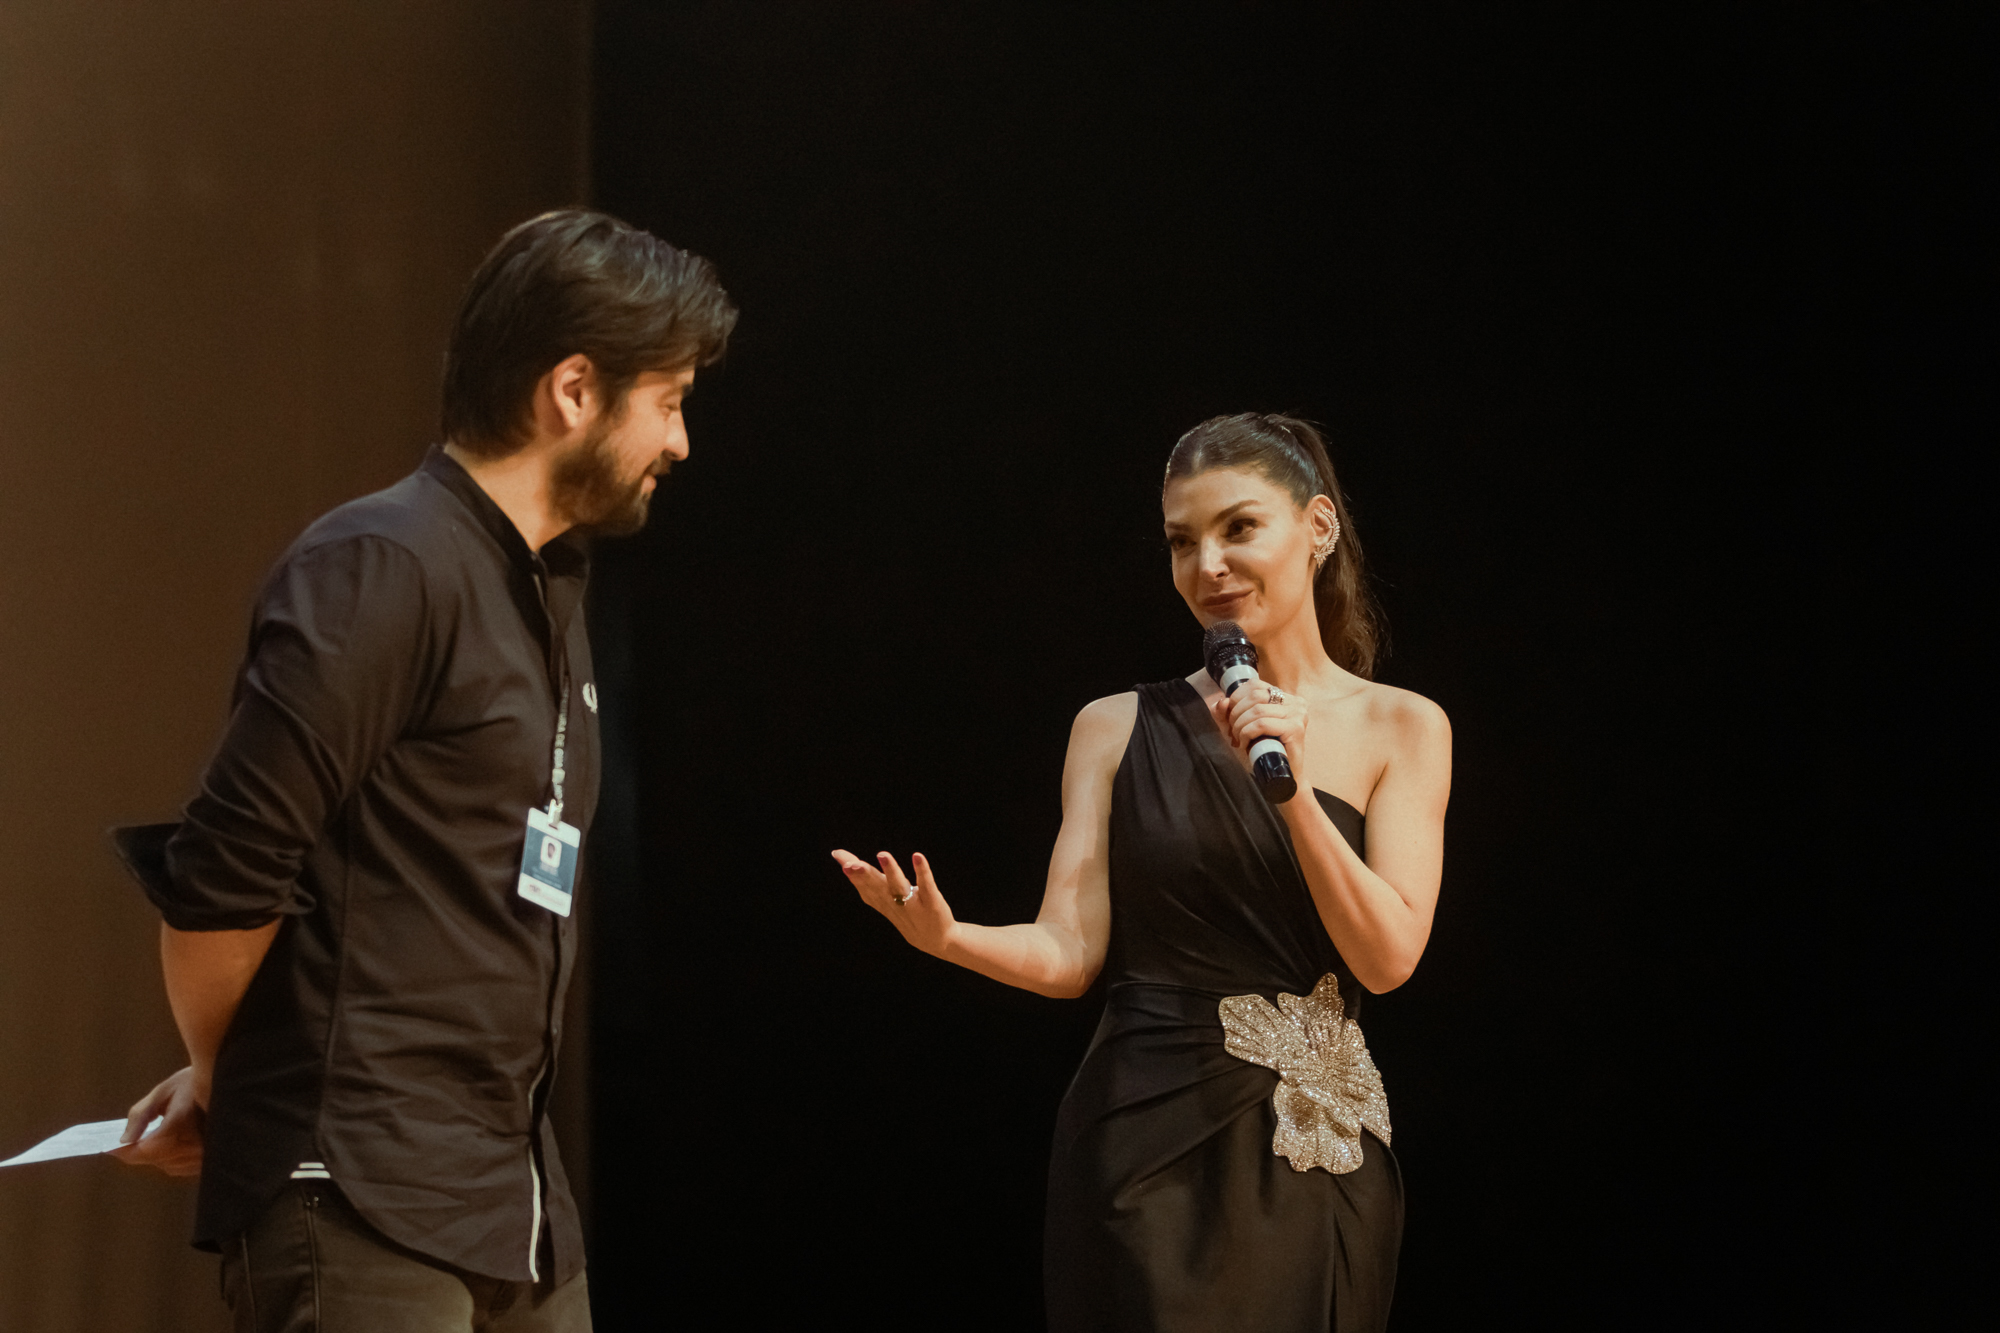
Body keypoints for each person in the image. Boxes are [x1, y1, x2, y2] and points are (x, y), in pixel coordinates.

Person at [110, 209, 736, 1332]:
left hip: (508, 1199)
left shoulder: (546, 587)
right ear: (574, 391)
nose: (681, 442)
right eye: (670, 401)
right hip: (357, 1188)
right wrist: (224, 1074)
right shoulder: (381, 566)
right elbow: (221, 881)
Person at [834, 413, 1451, 1332]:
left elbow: (1387, 956)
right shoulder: (1113, 726)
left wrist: (1290, 793)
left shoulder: (1404, 726)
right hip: (1142, 1147)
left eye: (1239, 528)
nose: (1209, 565)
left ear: (1317, 526)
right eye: (1181, 541)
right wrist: (950, 937)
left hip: (1310, 1156)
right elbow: (1070, 950)